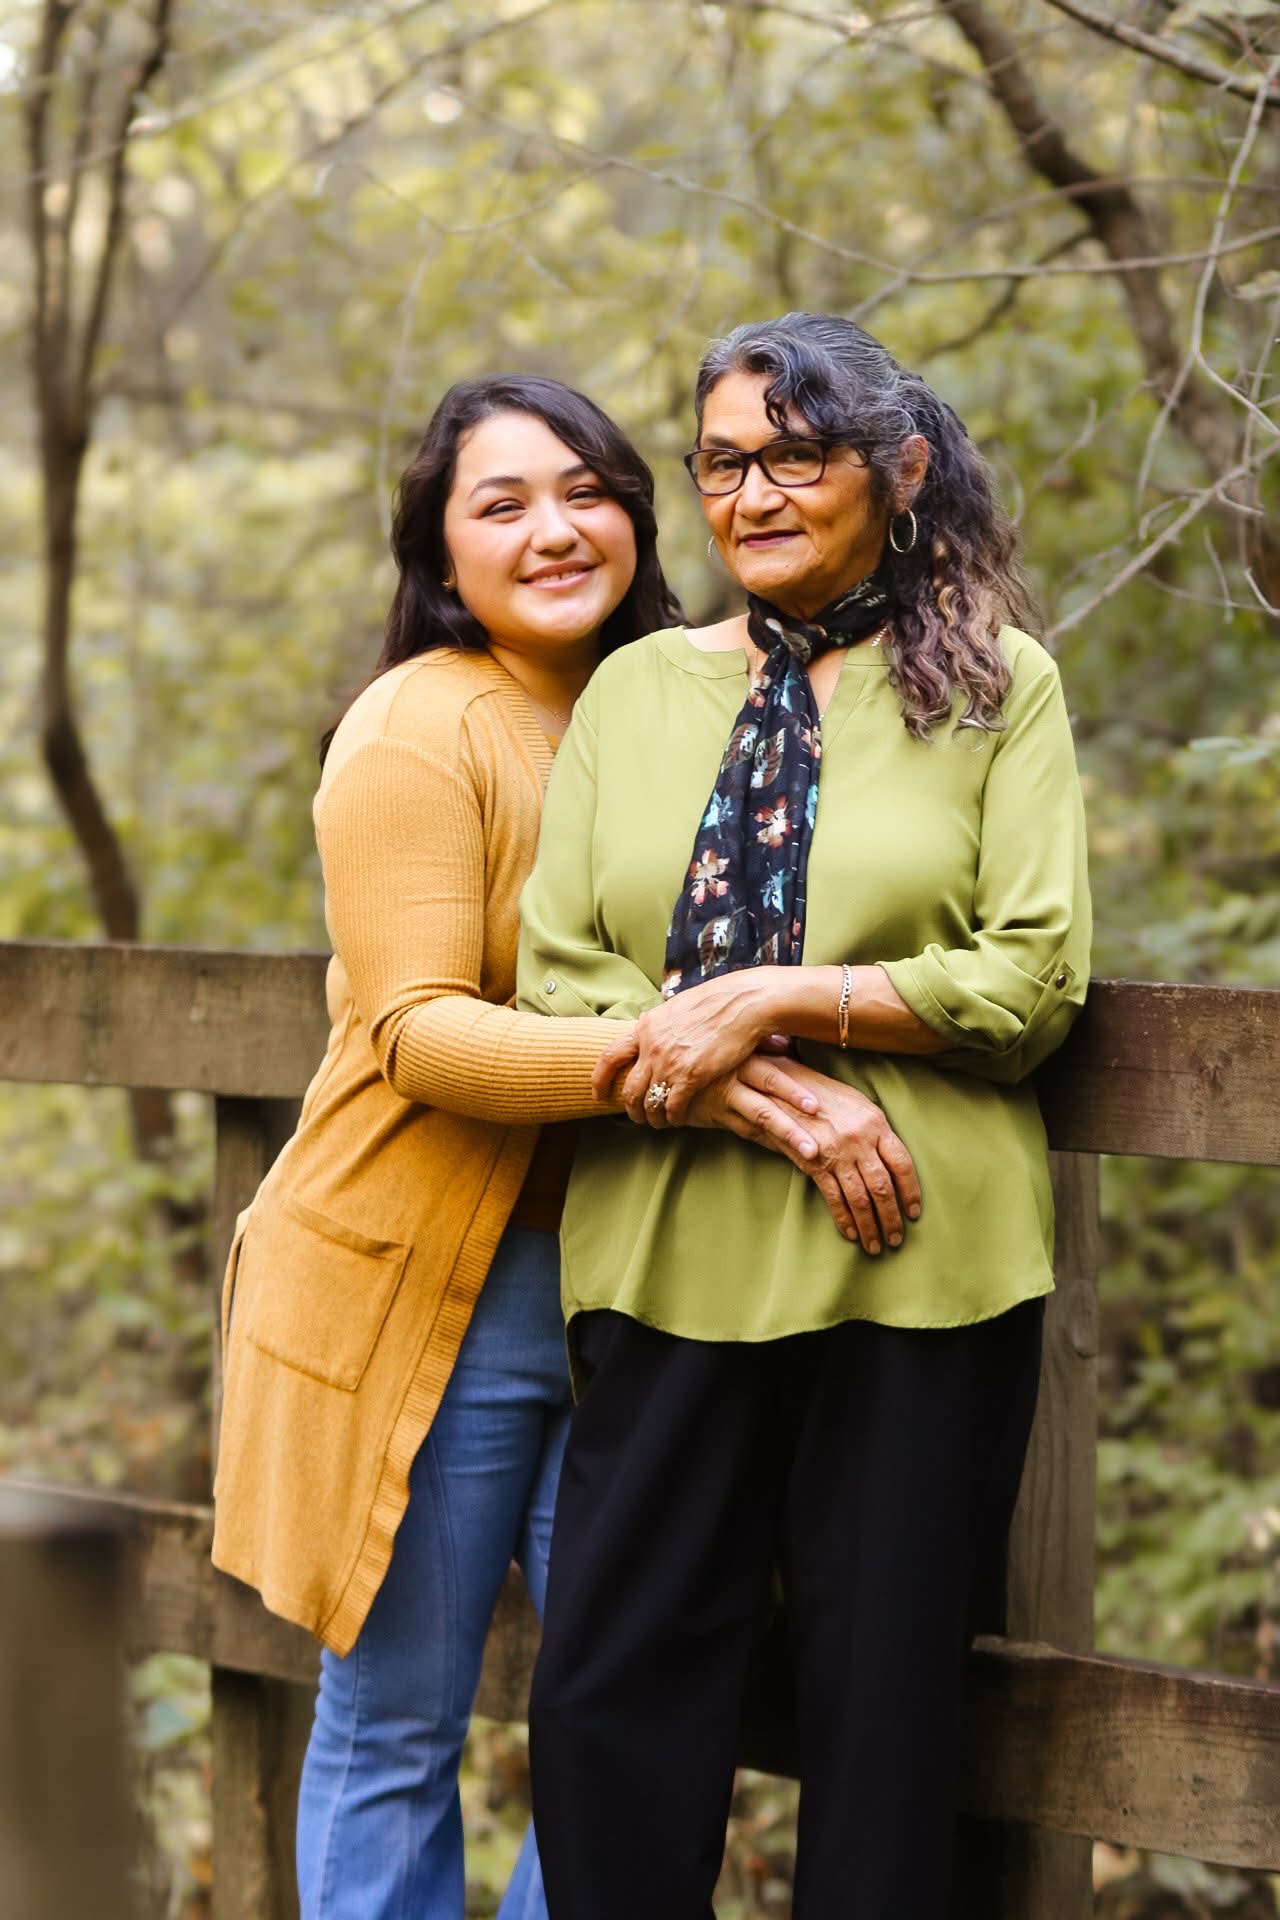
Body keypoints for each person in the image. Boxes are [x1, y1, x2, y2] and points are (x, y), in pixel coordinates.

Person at [210, 371, 906, 1920]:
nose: (554, 530)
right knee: (401, 1719)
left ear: (641, 518)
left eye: (588, 491)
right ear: (438, 551)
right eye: (502, 503)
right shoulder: (416, 729)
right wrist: (683, 1068)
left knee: (628, 1703)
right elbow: (417, 1033)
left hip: (630, 1279)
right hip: (421, 1289)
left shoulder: (686, 702)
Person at [518, 312, 1092, 1919]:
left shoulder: (996, 685)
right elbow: (560, 978)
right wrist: (778, 1104)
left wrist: (776, 996)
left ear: (898, 471)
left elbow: (1033, 977)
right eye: (721, 464)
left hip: (920, 1271)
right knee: (607, 1713)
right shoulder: (633, 692)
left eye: (795, 457)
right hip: (664, 1262)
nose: (751, 495)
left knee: (885, 1739)